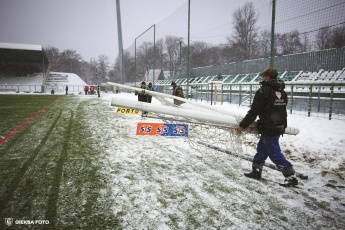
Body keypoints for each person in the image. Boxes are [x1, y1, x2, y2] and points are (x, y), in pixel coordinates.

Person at [235, 67, 298, 187]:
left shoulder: (263, 91)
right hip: (278, 126)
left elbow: (254, 111)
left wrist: (242, 125)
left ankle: (291, 177)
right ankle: (256, 171)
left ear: (267, 76)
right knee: (262, 150)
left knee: (274, 153)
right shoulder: (282, 91)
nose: (262, 77)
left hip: (269, 127)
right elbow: (280, 110)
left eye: (263, 75)